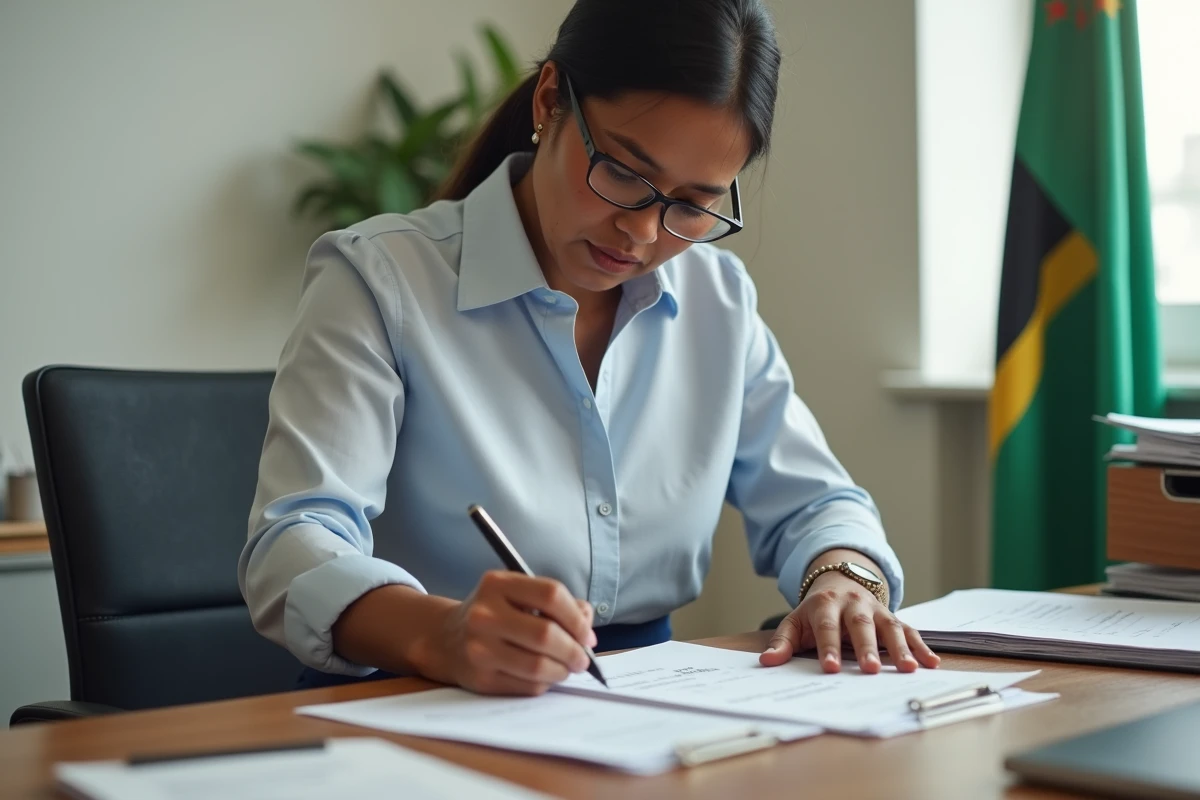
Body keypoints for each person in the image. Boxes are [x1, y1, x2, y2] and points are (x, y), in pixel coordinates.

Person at [238, 0, 940, 696]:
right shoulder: (380, 278)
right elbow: (293, 544)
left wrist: (845, 580)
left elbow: (818, 503)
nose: (642, 233)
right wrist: (441, 633)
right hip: (411, 694)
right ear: (550, 101)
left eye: (692, 205)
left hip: (644, 698)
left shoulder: (717, 299)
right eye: (625, 174)